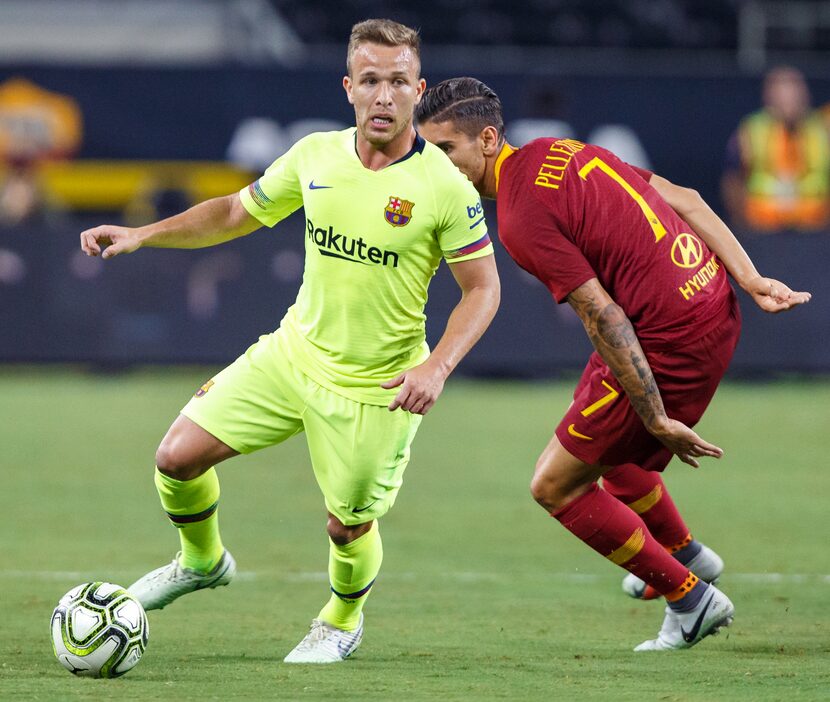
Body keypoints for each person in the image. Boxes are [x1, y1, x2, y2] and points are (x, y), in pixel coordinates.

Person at [79, 22, 499, 664]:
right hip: (293, 353)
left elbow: (483, 290)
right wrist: (144, 234)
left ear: (417, 91)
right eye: (369, 81)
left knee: (348, 524)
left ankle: (342, 619)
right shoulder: (315, 156)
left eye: (395, 83)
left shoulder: (443, 185)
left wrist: (437, 368)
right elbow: (230, 213)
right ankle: (201, 562)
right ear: (348, 88)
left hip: (377, 385)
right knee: (176, 458)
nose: (382, 96)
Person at [416, 77, 811, 651]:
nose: (435, 165)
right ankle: (685, 552)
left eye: (445, 150)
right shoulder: (558, 151)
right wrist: (747, 279)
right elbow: (684, 198)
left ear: (487, 139)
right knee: (599, 446)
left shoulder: (519, 218)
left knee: (554, 484)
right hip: (711, 300)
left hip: (671, 337)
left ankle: (691, 598)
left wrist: (654, 416)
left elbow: (603, 316)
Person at [721, 66, 830, 233]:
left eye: (793, 93)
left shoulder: (822, 129)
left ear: (805, 95)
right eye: (780, 93)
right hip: (761, 229)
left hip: (815, 230)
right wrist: (741, 225)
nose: (787, 100)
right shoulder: (751, 129)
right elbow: (733, 179)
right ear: (767, 97)